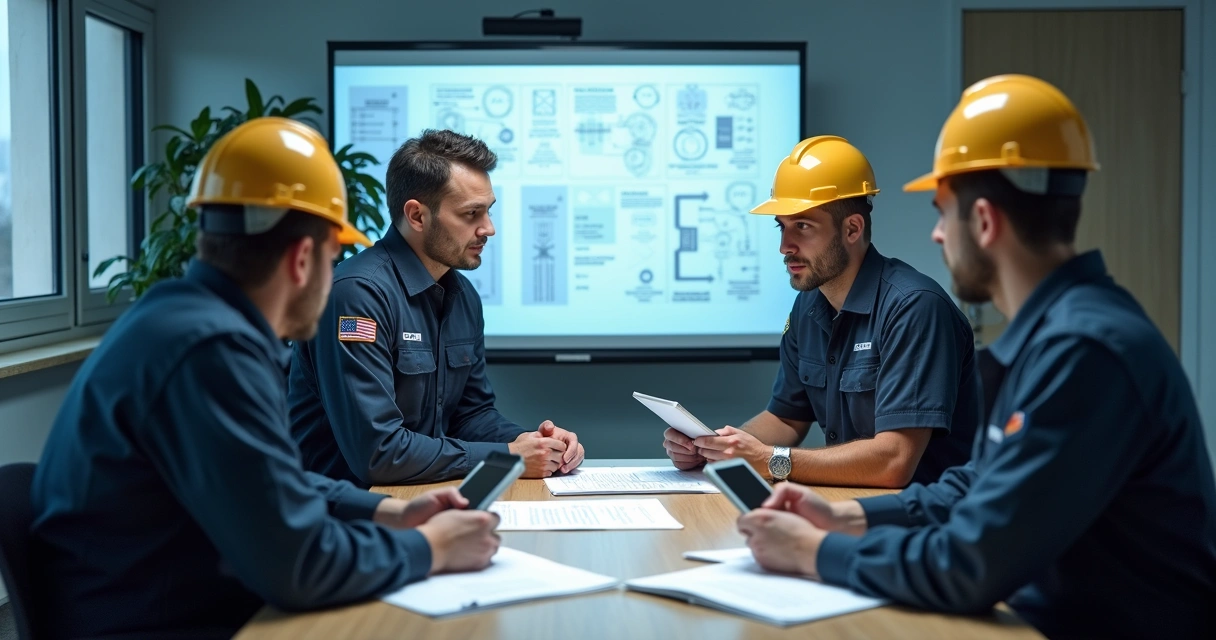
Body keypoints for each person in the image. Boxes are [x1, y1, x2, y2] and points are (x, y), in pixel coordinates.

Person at [736, 75, 1216, 639]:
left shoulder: (1085, 351)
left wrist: (816, 553)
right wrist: (849, 515)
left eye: (943, 213)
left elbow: (971, 564)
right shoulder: (1057, 334)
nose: (938, 235)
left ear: (984, 221)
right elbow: (978, 483)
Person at [29, 118, 502, 640]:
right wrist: (432, 547)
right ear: (302, 260)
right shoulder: (212, 350)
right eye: (332, 259)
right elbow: (299, 565)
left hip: (179, 599)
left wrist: (386, 512)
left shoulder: (183, 319)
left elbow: (270, 480)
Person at [664, 136, 979, 488]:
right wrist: (714, 448)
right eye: (782, 226)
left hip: (925, 515)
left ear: (852, 229)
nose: (785, 246)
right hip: (850, 505)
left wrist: (769, 460)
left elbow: (895, 461)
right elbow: (786, 418)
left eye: (803, 226)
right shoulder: (810, 304)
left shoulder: (914, 308)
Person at [288, 129, 585, 487]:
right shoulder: (357, 296)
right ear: (417, 216)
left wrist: (535, 444)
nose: (488, 229)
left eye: (488, 211)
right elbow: (378, 453)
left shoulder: (462, 295)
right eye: (471, 214)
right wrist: (508, 456)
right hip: (346, 513)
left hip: (422, 499)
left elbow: (470, 416)